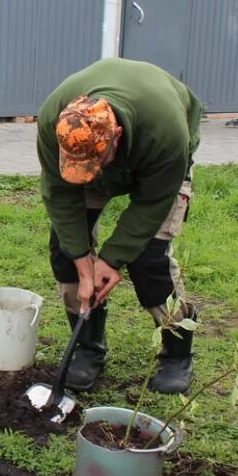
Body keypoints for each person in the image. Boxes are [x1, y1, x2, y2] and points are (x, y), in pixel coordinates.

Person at [36, 57, 203, 395]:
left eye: (94, 163)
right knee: (66, 253)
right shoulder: (55, 122)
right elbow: (60, 195)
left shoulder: (166, 133)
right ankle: (88, 347)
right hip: (113, 150)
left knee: (148, 260)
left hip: (158, 158)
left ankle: (176, 353)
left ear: (117, 135)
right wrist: (85, 266)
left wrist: (110, 260)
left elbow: (152, 203)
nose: (90, 173)